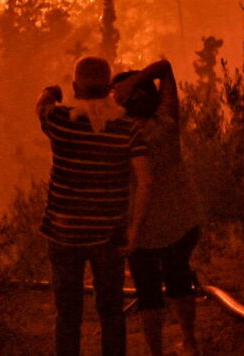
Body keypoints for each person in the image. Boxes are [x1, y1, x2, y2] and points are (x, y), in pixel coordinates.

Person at [36, 56, 153, 356]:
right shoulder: (127, 128)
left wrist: (51, 91)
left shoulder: (60, 122)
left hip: (63, 233)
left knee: (67, 316)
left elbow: (41, 106)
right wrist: (134, 229)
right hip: (110, 236)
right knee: (112, 313)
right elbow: (146, 180)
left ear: (76, 87)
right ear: (109, 88)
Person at [112, 59, 202, 356]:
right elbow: (165, 66)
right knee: (179, 281)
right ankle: (189, 342)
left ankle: (156, 353)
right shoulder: (167, 120)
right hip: (181, 218)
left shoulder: (122, 134)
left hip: (142, 226)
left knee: (148, 293)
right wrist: (137, 80)